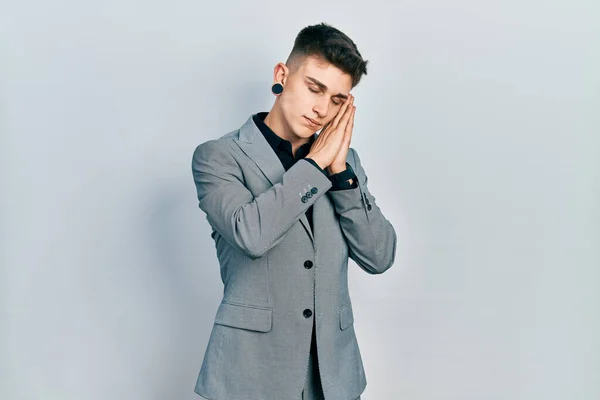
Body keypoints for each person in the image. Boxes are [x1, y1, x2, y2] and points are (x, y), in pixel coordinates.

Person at [191, 22, 397, 400]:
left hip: (333, 378)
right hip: (250, 374)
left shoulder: (345, 163)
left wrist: (339, 173)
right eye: (314, 88)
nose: (321, 108)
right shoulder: (219, 157)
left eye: (337, 99)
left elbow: (380, 256)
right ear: (282, 75)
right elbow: (251, 235)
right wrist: (316, 164)